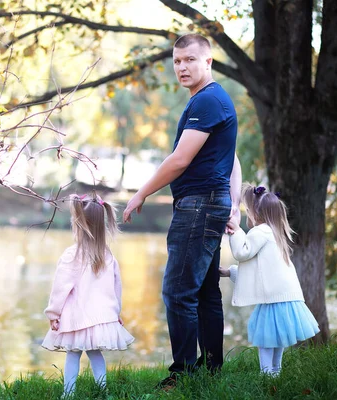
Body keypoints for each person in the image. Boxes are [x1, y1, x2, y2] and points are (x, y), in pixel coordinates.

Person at [123, 33, 241, 388]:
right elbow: (232, 158)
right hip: (209, 203)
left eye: (190, 59)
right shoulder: (212, 101)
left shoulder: (207, 101)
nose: (182, 67)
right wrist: (232, 205)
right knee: (204, 291)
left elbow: (179, 160)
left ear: (208, 62)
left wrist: (139, 194)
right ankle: (211, 371)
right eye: (177, 61)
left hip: (200, 205)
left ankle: (183, 374)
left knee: (178, 292)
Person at [219, 184, 319, 376]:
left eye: (247, 210)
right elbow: (260, 274)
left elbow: (242, 252)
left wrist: (236, 230)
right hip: (285, 296)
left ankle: (266, 374)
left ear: (256, 213)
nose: (247, 214)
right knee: (277, 337)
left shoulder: (260, 231)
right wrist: (230, 272)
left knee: (266, 338)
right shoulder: (275, 233)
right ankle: (276, 372)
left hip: (274, 298)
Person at [42, 193, 134, 397]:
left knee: (73, 354)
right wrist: (115, 312)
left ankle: (68, 393)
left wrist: (54, 313)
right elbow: (116, 288)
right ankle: (103, 390)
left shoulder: (72, 255)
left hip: (77, 317)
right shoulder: (108, 256)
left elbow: (60, 288)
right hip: (100, 318)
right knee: (95, 353)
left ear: (78, 225)